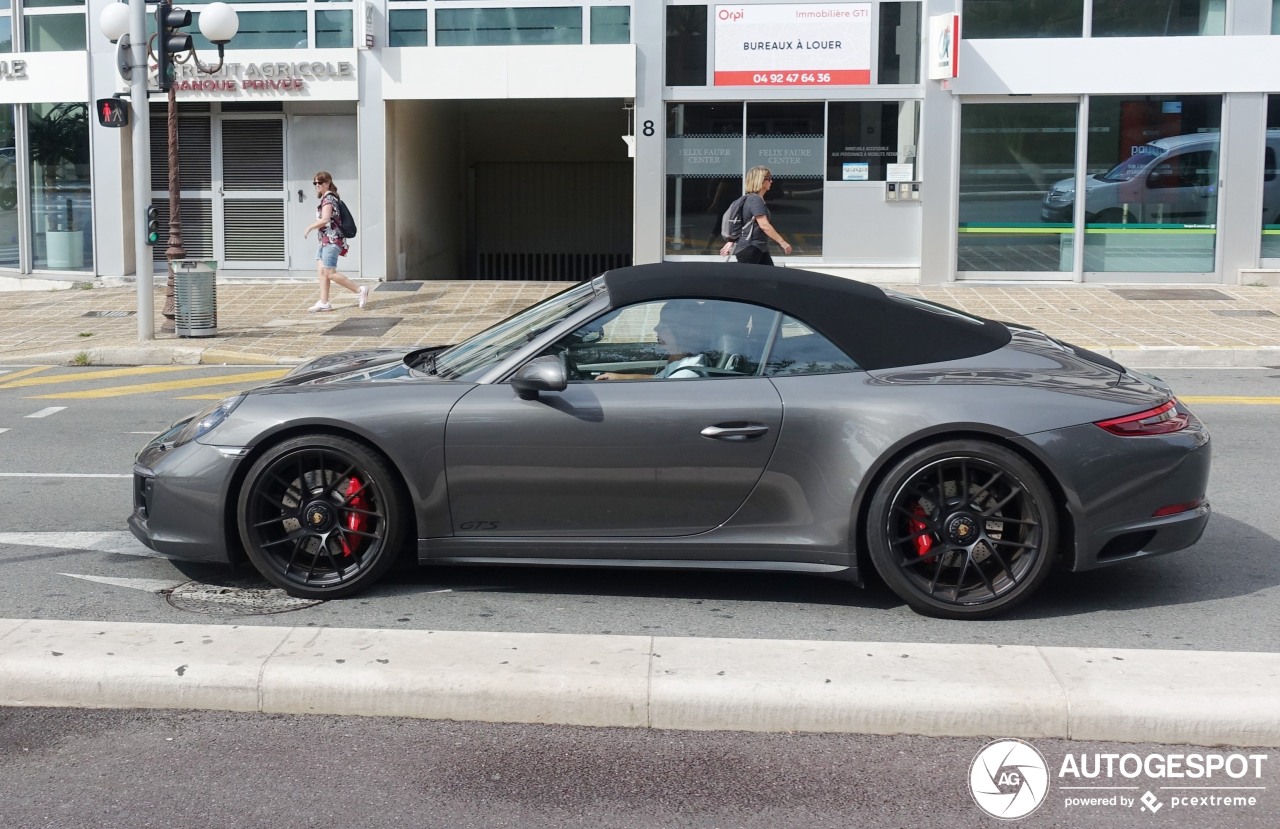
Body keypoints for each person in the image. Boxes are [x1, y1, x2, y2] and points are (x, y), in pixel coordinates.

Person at [595, 300, 713, 381]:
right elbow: (657, 380)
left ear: (683, 332)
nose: (656, 328)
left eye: (664, 325)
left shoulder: (686, 374)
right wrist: (619, 378)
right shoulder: (682, 363)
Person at [302, 171, 366, 312]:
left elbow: (325, 219)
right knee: (321, 271)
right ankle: (324, 302)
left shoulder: (329, 199)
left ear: (327, 183)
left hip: (332, 240)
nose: (317, 185)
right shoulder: (328, 198)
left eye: (320, 183)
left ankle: (359, 290)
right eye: (315, 183)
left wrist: (310, 227)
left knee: (329, 272)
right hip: (325, 240)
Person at [719, 165, 792, 265]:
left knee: (768, 278)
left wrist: (731, 241)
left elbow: (747, 223)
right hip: (751, 248)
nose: (771, 181)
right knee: (748, 280)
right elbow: (764, 226)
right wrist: (783, 243)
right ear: (760, 181)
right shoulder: (755, 200)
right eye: (769, 178)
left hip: (759, 248)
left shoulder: (754, 199)